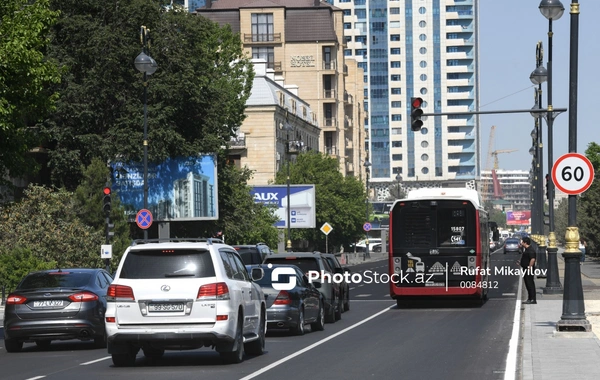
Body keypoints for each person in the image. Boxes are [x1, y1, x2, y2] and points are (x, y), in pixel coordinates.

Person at [518, 237, 537, 304]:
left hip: (528, 269)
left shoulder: (530, 250)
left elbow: (533, 259)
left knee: (530, 284)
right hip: (525, 269)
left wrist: (529, 267)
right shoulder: (526, 249)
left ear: (525, 242)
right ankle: (529, 298)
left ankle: (532, 299)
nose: (521, 242)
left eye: (522, 241)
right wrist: (521, 263)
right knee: (527, 284)